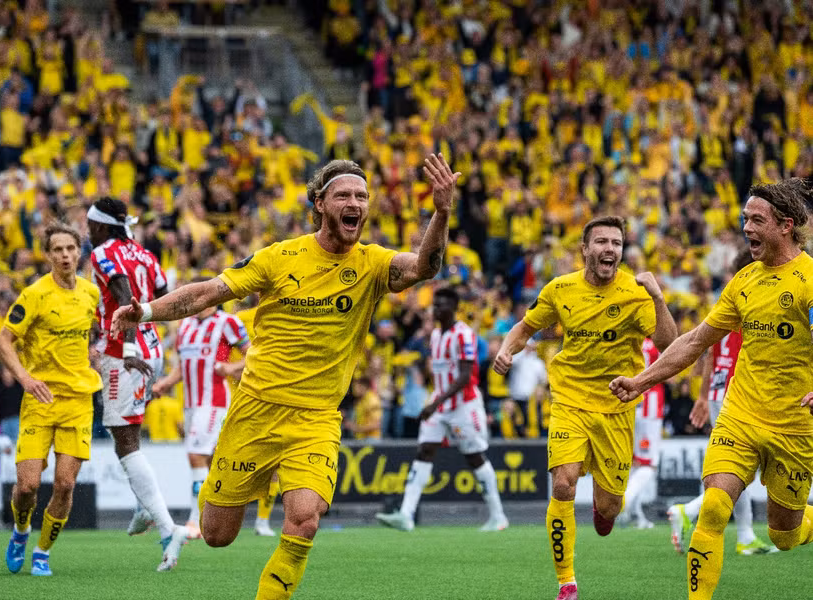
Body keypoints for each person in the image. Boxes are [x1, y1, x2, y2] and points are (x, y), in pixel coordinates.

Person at [112, 153, 459, 599]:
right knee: (217, 534)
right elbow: (209, 292)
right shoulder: (280, 257)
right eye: (343, 195)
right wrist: (144, 311)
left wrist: (442, 211)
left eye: (361, 196)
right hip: (255, 411)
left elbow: (424, 268)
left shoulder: (373, 263)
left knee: (304, 520)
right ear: (319, 203)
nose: (354, 202)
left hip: (315, 420)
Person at [610, 179, 813, 600]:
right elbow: (695, 341)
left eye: (757, 220)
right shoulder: (743, 281)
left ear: (786, 225)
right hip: (739, 414)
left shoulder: (809, 280)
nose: (747, 228)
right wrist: (641, 381)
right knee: (716, 506)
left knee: (783, 536)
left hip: (795, 425)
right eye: (744, 219)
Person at [494, 215, 678, 600]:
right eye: (602, 242)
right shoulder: (561, 289)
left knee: (610, 507)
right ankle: (567, 582)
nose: (609, 249)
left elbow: (669, 345)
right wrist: (506, 350)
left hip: (616, 406)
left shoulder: (634, 293)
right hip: (569, 400)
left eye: (616, 243)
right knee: (563, 483)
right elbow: (526, 327)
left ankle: (604, 510)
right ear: (585, 248)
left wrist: (658, 299)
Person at [0, 222, 103, 577]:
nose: (65, 255)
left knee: (65, 484)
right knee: (26, 486)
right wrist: (25, 378)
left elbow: (97, 334)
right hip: (40, 400)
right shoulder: (35, 294)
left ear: (79, 251)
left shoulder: (91, 294)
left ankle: (42, 551)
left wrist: (98, 352)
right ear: (48, 255)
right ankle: (21, 531)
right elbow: (3, 341)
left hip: (78, 400)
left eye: (70, 249)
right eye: (57, 250)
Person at [87, 196, 189, 571]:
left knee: (126, 443)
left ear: (99, 226)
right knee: (129, 438)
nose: (88, 232)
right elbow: (164, 298)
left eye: (89, 225)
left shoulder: (102, 253)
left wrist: (128, 346)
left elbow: (124, 297)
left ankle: (166, 528)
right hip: (153, 350)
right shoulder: (146, 255)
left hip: (124, 352)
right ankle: (143, 507)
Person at [666, 249, 777, 556]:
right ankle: (691, 511)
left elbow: (711, 346)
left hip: (718, 389)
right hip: (738, 390)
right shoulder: (755, 293)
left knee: (738, 465)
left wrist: (703, 396)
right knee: (743, 466)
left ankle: (743, 535)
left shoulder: (727, 296)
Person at [376, 287, 508, 532]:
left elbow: (466, 376)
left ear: (454, 307)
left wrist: (434, 403)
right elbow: (439, 373)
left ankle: (498, 516)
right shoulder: (436, 335)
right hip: (439, 404)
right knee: (424, 451)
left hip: (463, 405)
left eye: (441, 305)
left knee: (474, 456)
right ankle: (406, 514)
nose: (435, 309)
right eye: (434, 304)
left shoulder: (463, 335)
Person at [152, 294, 252, 539]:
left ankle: (194, 521)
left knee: (195, 455)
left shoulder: (227, 322)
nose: (194, 302)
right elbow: (182, 366)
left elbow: (253, 354)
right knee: (208, 462)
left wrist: (231, 368)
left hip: (214, 401)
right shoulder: (185, 326)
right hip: (190, 404)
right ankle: (215, 517)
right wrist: (165, 383)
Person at [618, 338, 665, 530]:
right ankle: (624, 501)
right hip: (650, 406)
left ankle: (637, 516)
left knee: (636, 463)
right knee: (649, 464)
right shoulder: (655, 346)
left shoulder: (631, 340)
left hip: (630, 404)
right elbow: (668, 372)